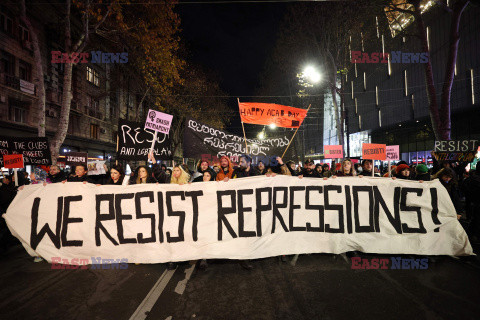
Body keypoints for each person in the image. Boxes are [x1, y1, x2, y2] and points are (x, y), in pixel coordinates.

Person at [167, 164, 191, 270]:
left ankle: (184, 258)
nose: (175, 172)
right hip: (171, 215)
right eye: (174, 170)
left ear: (182, 172)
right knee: (173, 238)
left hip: (184, 215)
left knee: (183, 237)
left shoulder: (188, 184)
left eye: (178, 170)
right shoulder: (169, 184)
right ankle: (173, 260)